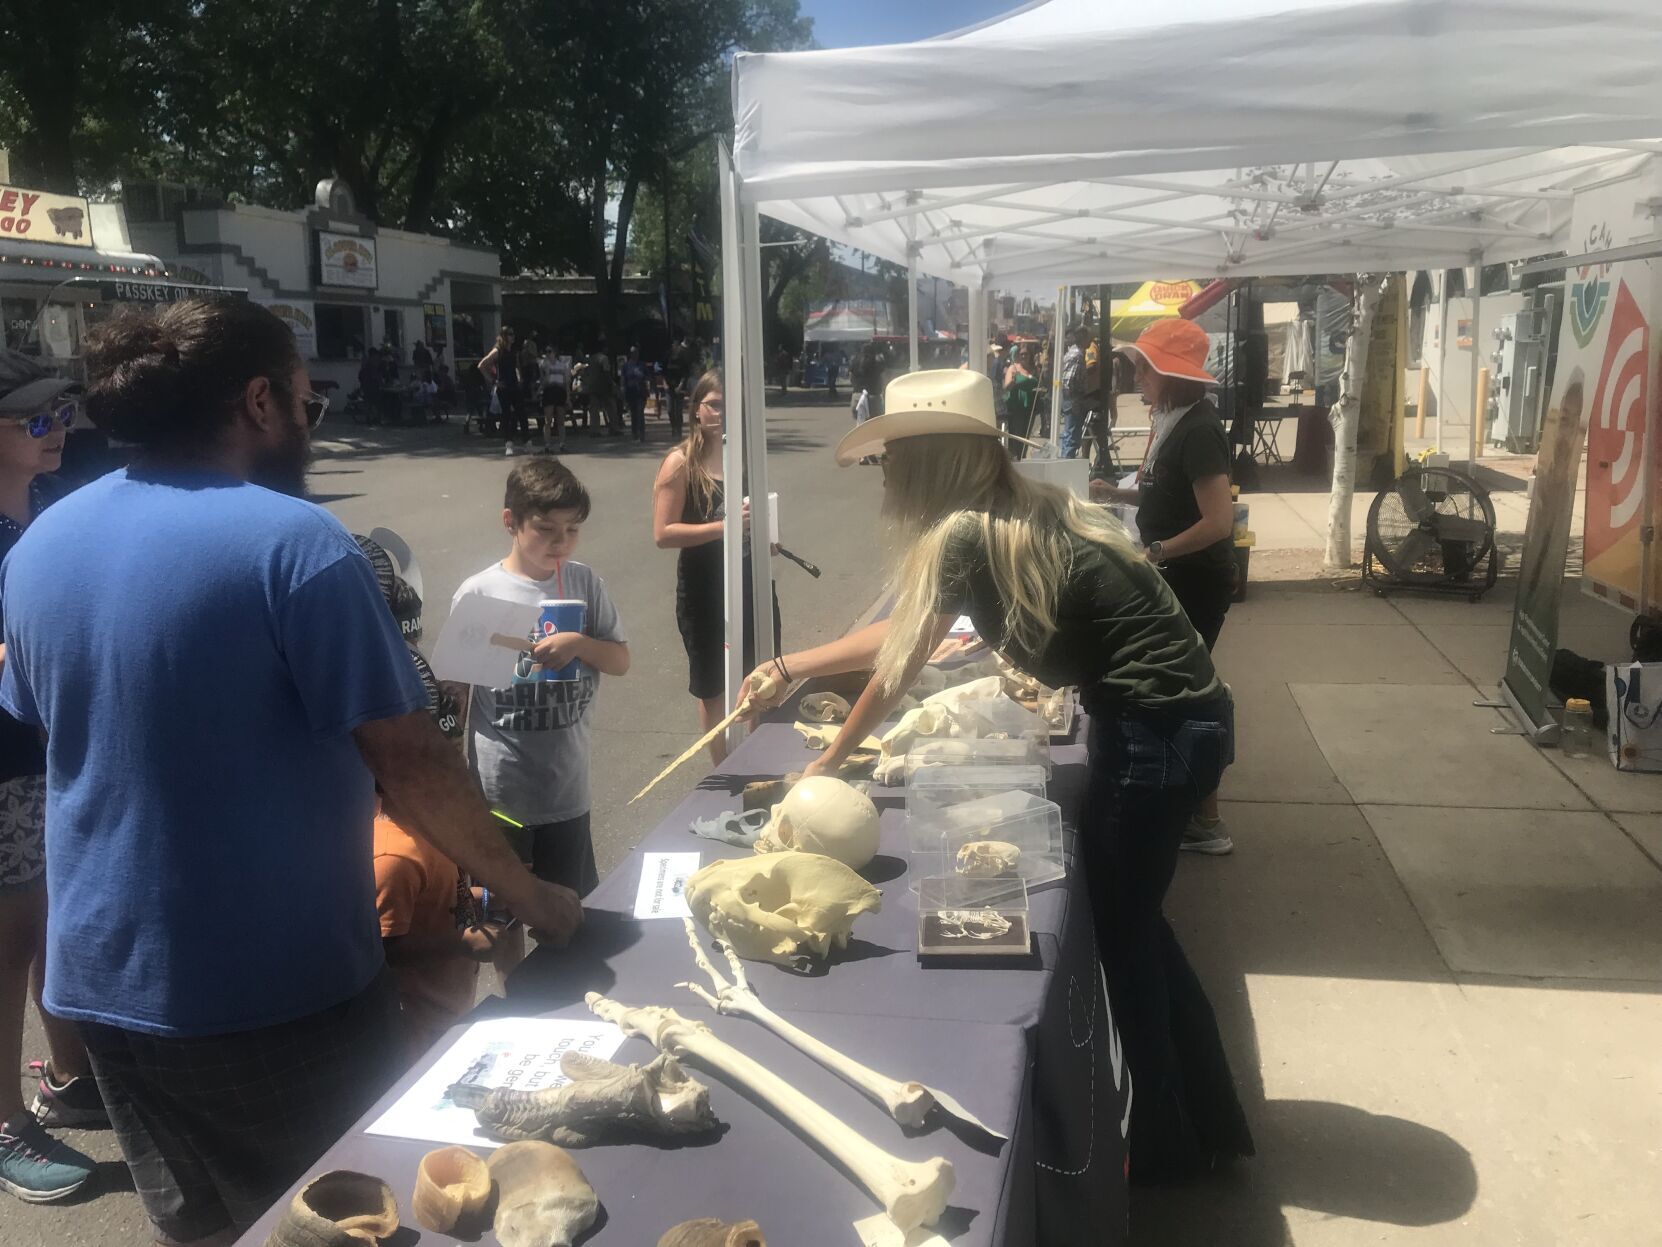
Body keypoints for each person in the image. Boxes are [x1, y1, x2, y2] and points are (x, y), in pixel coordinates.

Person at [0, 299, 583, 1245]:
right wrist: (534, 895)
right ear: (259, 401)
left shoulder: (38, 549)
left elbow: (65, 728)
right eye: (307, 405)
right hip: (269, 993)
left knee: (200, 1226)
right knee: (346, 1221)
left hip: (101, 986)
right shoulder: (298, 546)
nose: (308, 427)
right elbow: (413, 759)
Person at [739, 367, 1253, 1184]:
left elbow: (900, 655)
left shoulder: (968, 532)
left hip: (1156, 730)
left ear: (929, 457)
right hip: (1181, 723)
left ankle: (1167, 1148)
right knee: (1139, 926)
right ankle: (1207, 1119)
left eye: (892, 458)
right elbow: (909, 635)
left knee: (1125, 940)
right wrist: (795, 667)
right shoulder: (1014, 509)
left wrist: (829, 751)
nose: (886, 475)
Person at [450, 458, 628, 969]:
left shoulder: (585, 584)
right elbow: (455, 695)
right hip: (501, 792)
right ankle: (515, 999)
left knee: (567, 913)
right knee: (500, 919)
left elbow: (620, 660)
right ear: (511, 522)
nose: (561, 542)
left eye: (572, 530)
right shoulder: (480, 593)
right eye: (546, 529)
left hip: (566, 792)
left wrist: (580, 644)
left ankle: (562, 993)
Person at [0, 352, 101, 1204]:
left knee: (51, 924)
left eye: (59, 414)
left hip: (50, 758)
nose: (56, 428)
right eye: (36, 420)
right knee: (8, 945)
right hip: (4, 766)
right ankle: (4, 1122)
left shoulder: (50, 513)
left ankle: (68, 1078)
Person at [1093, 319, 1238, 854]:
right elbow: (1167, 496)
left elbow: (1218, 521)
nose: (1136, 376)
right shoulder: (1175, 420)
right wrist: (1120, 496)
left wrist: (1154, 552)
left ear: (1172, 374)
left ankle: (1206, 820)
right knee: (1184, 690)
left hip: (1194, 581)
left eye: (1144, 367)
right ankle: (1197, 812)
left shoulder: (1198, 430)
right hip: (1177, 576)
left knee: (1187, 694)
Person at [652, 369, 781, 764]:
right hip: (704, 588)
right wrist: (722, 528)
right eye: (715, 405)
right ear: (696, 409)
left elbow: (749, 516)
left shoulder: (741, 456)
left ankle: (759, 759)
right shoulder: (679, 462)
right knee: (712, 684)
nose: (722, 413)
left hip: (750, 578)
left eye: (730, 406)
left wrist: (766, 534)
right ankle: (723, 767)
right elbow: (663, 533)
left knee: (763, 673)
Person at [479, 326, 529, 456]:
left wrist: (519, 378)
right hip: (504, 386)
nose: (513, 337)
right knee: (506, 415)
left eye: (513, 334)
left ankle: (527, 442)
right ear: (504, 336)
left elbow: (517, 366)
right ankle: (509, 444)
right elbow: (482, 365)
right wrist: (493, 381)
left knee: (522, 413)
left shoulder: (513, 351)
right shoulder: (498, 351)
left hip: (515, 385)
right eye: (510, 334)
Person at [1058, 323, 1091, 458]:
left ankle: (1066, 460)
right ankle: (1067, 463)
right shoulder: (1077, 355)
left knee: (1069, 434)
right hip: (1072, 399)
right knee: (1072, 435)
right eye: (1089, 337)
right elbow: (1069, 381)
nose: (1091, 340)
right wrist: (1075, 400)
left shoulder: (1073, 352)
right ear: (1083, 338)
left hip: (1070, 399)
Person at [1002, 346, 1039, 456]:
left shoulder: (1034, 369)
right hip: (1016, 407)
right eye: (1021, 354)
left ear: (1030, 355)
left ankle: (1022, 459)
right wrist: (1013, 382)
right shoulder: (1013, 368)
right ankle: (1015, 461)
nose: (1024, 356)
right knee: (1016, 438)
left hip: (1030, 407)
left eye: (1026, 354)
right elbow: (1007, 387)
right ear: (1018, 355)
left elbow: (1038, 384)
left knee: (1026, 437)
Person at [540, 346, 569, 453]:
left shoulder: (562, 366)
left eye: (550, 351)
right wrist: (546, 371)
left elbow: (566, 383)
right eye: (546, 352)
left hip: (560, 391)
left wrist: (568, 398)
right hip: (549, 391)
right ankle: (547, 444)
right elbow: (544, 382)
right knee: (548, 420)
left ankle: (562, 443)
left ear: (555, 352)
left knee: (561, 420)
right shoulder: (543, 365)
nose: (548, 354)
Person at [588, 340, 620, 436]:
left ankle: (595, 430)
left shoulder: (591, 359)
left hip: (592, 386)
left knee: (594, 409)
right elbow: (606, 372)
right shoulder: (604, 358)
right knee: (611, 407)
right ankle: (614, 428)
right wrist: (612, 384)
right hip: (603, 387)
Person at [666, 334, 692, 441]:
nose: (674, 346)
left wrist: (681, 386)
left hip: (679, 387)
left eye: (675, 344)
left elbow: (685, 373)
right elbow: (661, 372)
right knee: (670, 410)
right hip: (669, 387)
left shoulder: (682, 358)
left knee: (678, 410)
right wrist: (665, 383)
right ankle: (673, 427)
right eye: (672, 344)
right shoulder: (667, 357)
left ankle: (679, 430)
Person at [622, 347, 649, 443]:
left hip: (641, 392)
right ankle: (634, 434)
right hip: (631, 392)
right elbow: (623, 380)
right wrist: (623, 391)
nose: (635, 354)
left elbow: (647, 378)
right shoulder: (626, 366)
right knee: (633, 414)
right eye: (633, 353)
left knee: (640, 413)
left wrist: (648, 389)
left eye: (636, 352)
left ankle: (642, 434)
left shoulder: (642, 365)